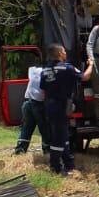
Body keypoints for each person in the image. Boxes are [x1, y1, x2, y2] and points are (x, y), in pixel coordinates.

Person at [40, 44, 82, 175]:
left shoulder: (45, 70)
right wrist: (91, 64)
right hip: (61, 105)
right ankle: (55, 168)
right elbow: (84, 76)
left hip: (50, 105)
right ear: (59, 54)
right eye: (64, 51)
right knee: (59, 138)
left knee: (62, 136)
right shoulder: (67, 68)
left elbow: (43, 87)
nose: (65, 53)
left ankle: (69, 165)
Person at [13, 59, 47, 157]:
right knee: (45, 129)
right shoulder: (46, 73)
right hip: (39, 104)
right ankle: (47, 151)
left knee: (26, 128)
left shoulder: (33, 70)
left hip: (27, 102)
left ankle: (20, 150)